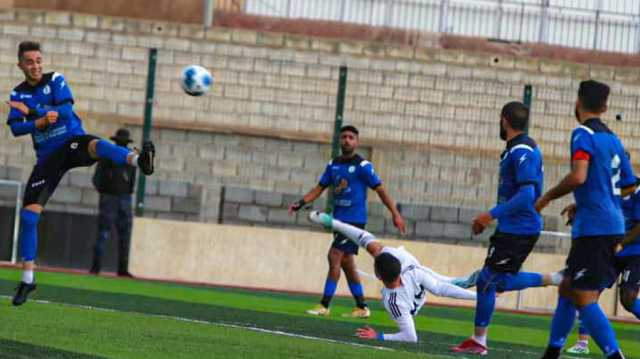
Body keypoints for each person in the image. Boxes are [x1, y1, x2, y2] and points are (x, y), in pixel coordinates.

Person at [5, 41, 155, 306]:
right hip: (48, 158)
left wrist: (37, 112)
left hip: (71, 142)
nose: (36, 65)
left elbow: (64, 110)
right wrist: (37, 122)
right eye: (30, 61)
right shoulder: (17, 94)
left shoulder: (56, 79)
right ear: (20, 65)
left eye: (39, 60)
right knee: (29, 216)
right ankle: (28, 279)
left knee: (96, 145)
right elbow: (16, 128)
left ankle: (137, 159)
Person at [451, 102, 562, 356]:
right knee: (493, 281)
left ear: (504, 121)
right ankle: (553, 279)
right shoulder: (515, 149)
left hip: (520, 228)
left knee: (489, 281)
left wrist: (489, 215)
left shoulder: (521, 149)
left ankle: (479, 341)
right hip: (513, 227)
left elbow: (527, 195)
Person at [535, 80, 634, 359]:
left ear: (578, 102)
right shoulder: (613, 139)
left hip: (595, 227)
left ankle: (615, 356)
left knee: (583, 294)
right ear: (604, 107)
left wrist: (547, 197)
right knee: (568, 287)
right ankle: (552, 352)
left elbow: (579, 175)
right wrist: (594, 197)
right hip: (609, 223)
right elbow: (628, 183)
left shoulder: (583, 134)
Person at [288, 125, 406, 318]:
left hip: (354, 222)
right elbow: (320, 188)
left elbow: (381, 190)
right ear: (339, 140)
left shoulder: (362, 166)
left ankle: (324, 304)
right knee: (346, 263)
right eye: (344, 137)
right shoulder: (333, 164)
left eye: (351, 137)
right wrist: (301, 203)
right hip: (338, 221)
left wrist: (395, 213)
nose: (347, 140)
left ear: (357, 142)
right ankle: (361, 306)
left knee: (334, 255)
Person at [308, 210, 476, 342]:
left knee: (372, 245)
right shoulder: (406, 284)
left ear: (379, 275)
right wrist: (478, 297)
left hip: (410, 285)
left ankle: (334, 223)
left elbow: (411, 336)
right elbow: (439, 291)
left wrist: (379, 336)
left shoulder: (393, 300)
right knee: (446, 282)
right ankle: (473, 284)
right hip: (412, 286)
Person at [90, 128, 137, 277]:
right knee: (109, 234)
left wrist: (106, 192)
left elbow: (131, 180)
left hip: (119, 198)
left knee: (114, 235)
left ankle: (107, 268)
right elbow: (97, 179)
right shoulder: (111, 157)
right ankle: (99, 268)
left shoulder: (122, 158)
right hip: (114, 198)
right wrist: (106, 193)